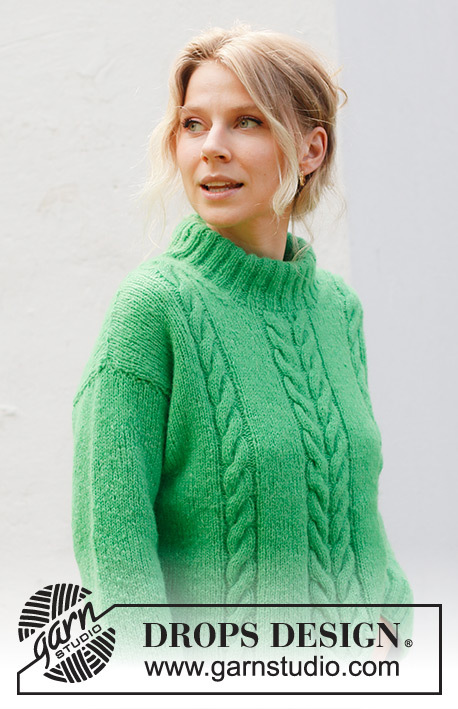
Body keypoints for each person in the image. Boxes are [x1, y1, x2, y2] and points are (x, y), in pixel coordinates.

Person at [72, 25, 413, 659]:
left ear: (310, 149)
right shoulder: (153, 309)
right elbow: (113, 552)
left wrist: (403, 644)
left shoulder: (337, 309)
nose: (212, 148)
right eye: (193, 125)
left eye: (247, 122)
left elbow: (356, 518)